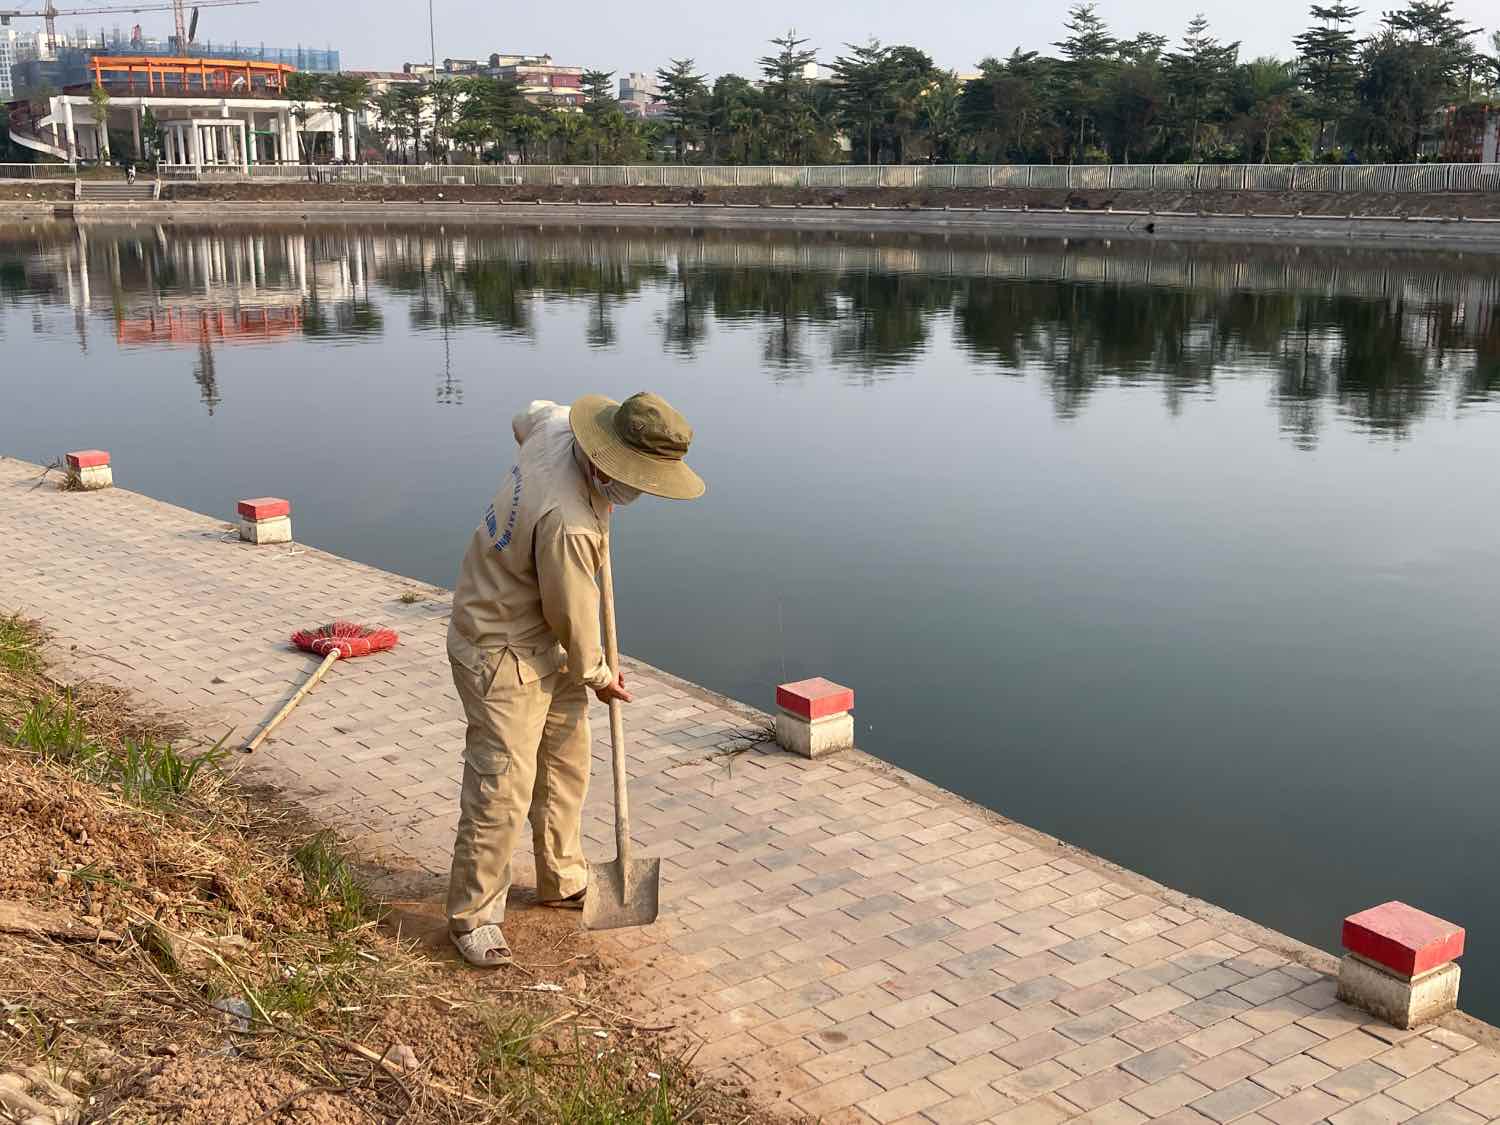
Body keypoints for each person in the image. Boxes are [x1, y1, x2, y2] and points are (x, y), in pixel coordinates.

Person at [445, 393, 705, 966]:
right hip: (501, 642)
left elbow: (524, 416)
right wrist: (600, 674)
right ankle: (474, 915)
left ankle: (561, 876)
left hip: (546, 637)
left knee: (565, 759)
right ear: (608, 463)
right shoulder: (571, 524)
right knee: (503, 785)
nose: (639, 492)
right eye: (636, 480)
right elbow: (574, 615)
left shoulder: (557, 423)